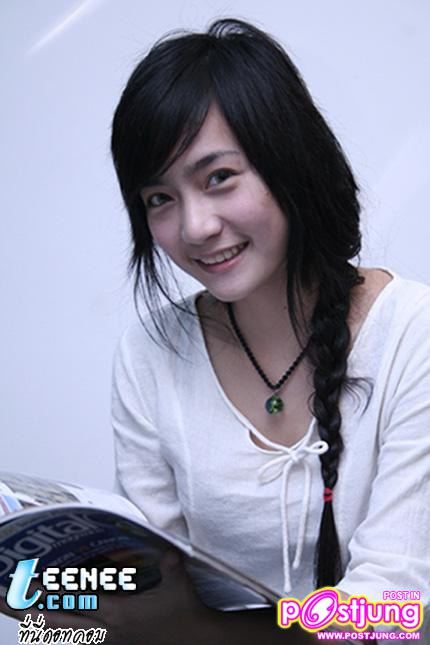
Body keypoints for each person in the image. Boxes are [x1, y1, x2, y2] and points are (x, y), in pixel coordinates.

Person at [109, 17, 430, 641]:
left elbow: (395, 611)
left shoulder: (412, 334)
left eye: (218, 178)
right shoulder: (149, 353)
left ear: (289, 162)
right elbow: (151, 591)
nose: (196, 226)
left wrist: (195, 628)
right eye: (159, 198)